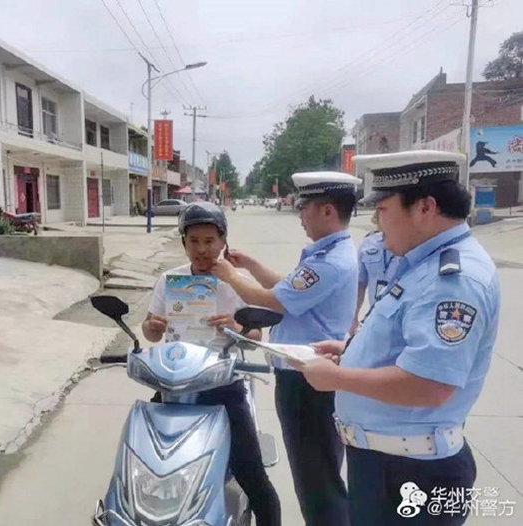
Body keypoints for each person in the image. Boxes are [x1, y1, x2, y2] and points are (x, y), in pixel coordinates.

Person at [299, 151, 500, 525]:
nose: (376, 221)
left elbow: (431, 384)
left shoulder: (452, 279)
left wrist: (338, 379)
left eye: (383, 209)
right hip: (388, 465)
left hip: (412, 475)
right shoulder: (421, 263)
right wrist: (351, 354)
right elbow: (410, 347)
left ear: (425, 207)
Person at [212, 172, 362, 526]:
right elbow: (288, 289)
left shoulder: (330, 262)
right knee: (316, 477)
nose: (299, 213)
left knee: (317, 482)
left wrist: (231, 277)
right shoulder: (328, 253)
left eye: (304, 206)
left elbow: (275, 302)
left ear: (327, 210)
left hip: (309, 384)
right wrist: (248, 265)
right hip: (307, 378)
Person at [142, 201, 281, 526]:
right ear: (184, 244)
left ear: (223, 242)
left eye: (209, 241)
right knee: (150, 464)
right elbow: (149, 331)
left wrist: (236, 327)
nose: (201, 250)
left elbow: (258, 333)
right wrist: (154, 327)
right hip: (176, 385)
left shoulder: (236, 281)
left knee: (252, 475)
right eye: (194, 242)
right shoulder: (169, 280)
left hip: (223, 386)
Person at [350, 209, 400, 335]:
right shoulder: (368, 243)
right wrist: (353, 317)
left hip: (398, 320)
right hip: (373, 316)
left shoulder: (411, 246)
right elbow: (360, 284)